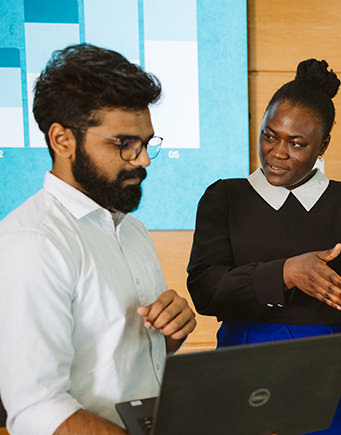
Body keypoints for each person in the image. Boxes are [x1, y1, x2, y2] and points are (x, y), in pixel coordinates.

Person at [186, 59, 341, 434]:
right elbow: (206, 291)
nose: (277, 152)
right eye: (269, 135)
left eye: (296, 144)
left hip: (328, 374)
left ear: (323, 144)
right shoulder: (224, 197)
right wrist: (285, 273)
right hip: (242, 367)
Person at [0, 43, 197, 435]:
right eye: (124, 143)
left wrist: (168, 336)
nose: (141, 159)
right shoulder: (33, 242)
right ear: (62, 140)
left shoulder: (132, 230)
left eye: (145, 143)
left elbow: (121, 361)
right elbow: (37, 409)